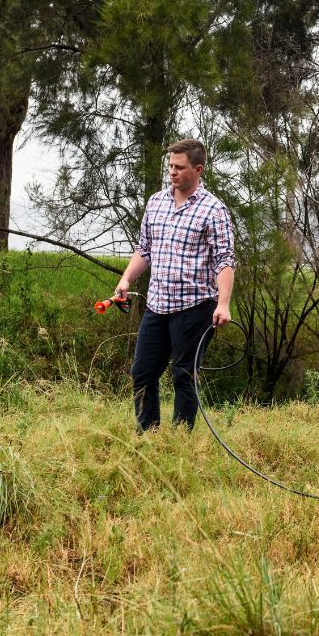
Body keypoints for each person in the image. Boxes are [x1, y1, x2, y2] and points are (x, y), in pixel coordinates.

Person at [114, 139, 235, 431]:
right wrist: (126, 279)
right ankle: (149, 437)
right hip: (157, 305)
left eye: (179, 167)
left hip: (195, 307)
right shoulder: (155, 202)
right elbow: (145, 250)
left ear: (198, 169)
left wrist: (223, 303)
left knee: (184, 375)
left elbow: (224, 261)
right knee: (142, 372)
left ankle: (180, 439)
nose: (172, 172)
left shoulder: (213, 210)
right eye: (170, 166)